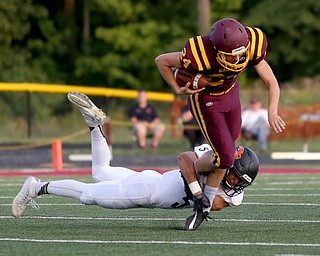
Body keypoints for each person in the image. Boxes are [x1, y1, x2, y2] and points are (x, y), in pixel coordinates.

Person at [12, 92, 259, 231]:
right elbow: (184, 159)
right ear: (229, 164)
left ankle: (94, 125)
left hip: (154, 181)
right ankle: (36, 187)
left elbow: (211, 204)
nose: (235, 182)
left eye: (240, 181)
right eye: (236, 175)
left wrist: (201, 202)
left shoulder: (232, 196)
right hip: (149, 192)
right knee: (88, 194)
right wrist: (197, 190)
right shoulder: (215, 161)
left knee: (100, 171)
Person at [155, 17, 285, 228]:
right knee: (225, 157)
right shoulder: (199, 53)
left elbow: (271, 81)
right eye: (232, 55)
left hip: (231, 94)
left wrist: (272, 111)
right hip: (206, 99)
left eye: (241, 53)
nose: (239, 58)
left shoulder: (252, 45)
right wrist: (176, 88)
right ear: (216, 50)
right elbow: (161, 60)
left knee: (228, 152)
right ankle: (197, 185)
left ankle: (202, 199)